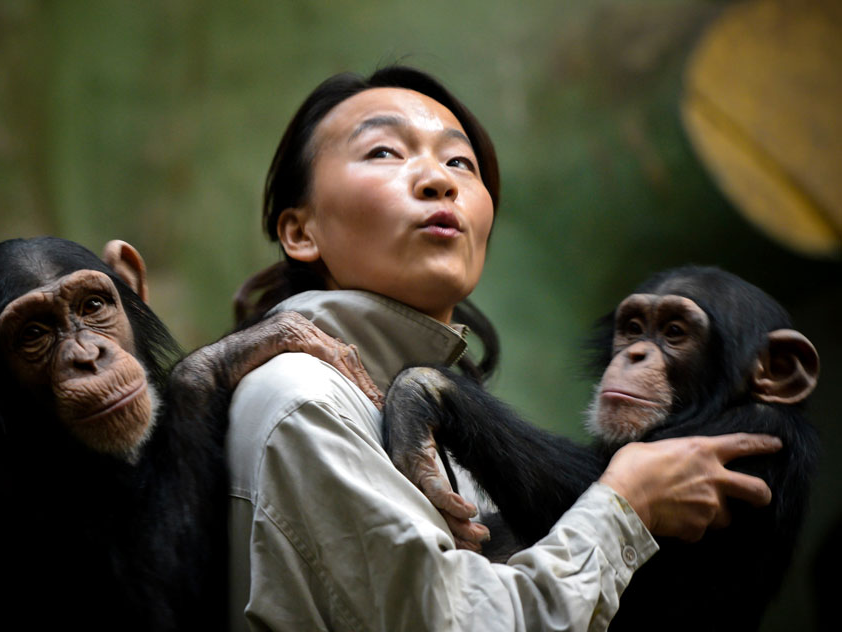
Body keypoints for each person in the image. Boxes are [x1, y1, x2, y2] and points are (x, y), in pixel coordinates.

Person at [225, 65, 780, 631]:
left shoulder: (428, 418)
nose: (438, 180)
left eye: (459, 162)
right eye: (385, 152)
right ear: (301, 232)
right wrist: (625, 505)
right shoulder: (305, 398)